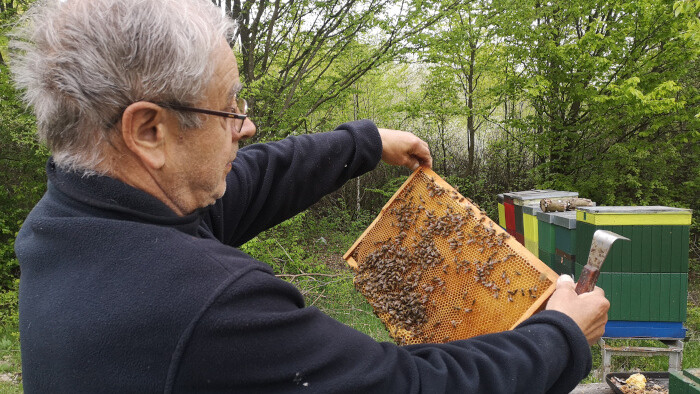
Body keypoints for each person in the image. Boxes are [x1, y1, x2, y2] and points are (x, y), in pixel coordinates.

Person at [9, 0, 609, 392]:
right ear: (149, 130)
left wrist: (365, 143)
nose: (246, 127)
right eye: (229, 108)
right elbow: (407, 388)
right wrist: (558, 338)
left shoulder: (72, 222)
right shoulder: (210, 308)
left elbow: (245, 184)